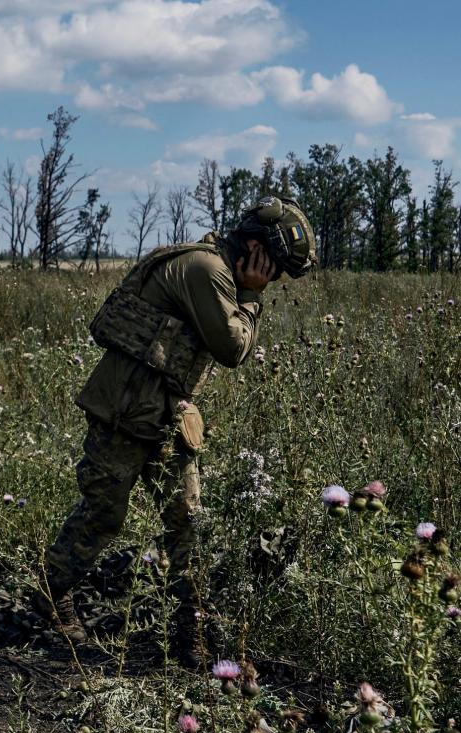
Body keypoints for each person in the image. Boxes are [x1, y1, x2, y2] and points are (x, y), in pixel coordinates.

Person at [34, 196, 316, 667]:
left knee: (187, 522)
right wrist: (250, 297)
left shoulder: (214, 267)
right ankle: (52, 592)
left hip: (166, 417)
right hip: (124, 413)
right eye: (276, 268)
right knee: (103, 513)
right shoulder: (206, 270)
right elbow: (232, 347)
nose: (276, 279)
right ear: (256, 247)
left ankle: (192, 631)